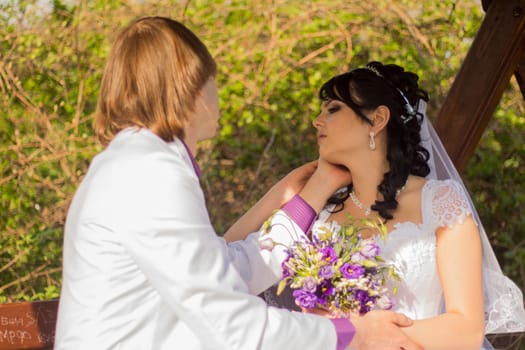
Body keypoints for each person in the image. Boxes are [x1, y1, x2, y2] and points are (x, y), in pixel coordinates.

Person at [54, 17, 423, 350]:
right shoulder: (151, 174)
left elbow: (229, 268)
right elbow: (230, 323)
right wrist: (352, 334)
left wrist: (307, 197)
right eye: (213, 81)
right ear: (193, 88)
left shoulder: (136, 162)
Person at [226, 61, 525, 349]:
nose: (317, 121)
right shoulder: (323, 211)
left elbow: (466, 330)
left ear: (378, 120)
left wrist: (361, 335)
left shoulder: (439, 201)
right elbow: (222, 262)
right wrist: (286, 187)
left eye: (333, 109)